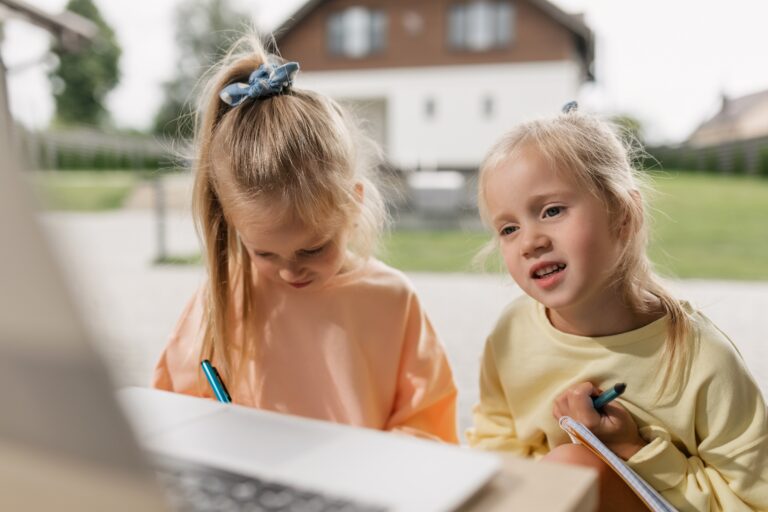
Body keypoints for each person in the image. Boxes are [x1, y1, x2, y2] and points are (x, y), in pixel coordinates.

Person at [153, 36, 458, 443]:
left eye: (312, 248)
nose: (288, 269)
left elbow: (429, 424)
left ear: (354, 203)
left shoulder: (393, 300)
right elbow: (174, 411)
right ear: (232, 224)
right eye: (263, 252)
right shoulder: (224, 294)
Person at [466, 102, 768, 510]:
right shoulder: (512, 333)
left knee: (573, 465)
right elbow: (495, 442)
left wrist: (631, 448)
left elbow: (752, 501)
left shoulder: (703, 359)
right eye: (509, 228)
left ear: (622, 213)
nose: (529, 241)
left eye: (552, 210)